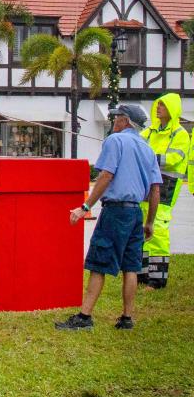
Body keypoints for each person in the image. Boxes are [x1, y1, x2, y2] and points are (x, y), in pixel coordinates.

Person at [55, 103, 160, 331]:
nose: (113, 122)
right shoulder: (147, 148)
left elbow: (106, 175)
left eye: (116, 118)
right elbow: (155, 190)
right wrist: (149, 222)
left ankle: (84, 318)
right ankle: (127, 319)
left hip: (115, 211)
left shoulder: (115, 141)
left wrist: (85, 206)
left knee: (99, 263)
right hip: (135, 213)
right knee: (130, 267)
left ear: (125, 121)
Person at [138, 93, 190, 289]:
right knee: (142, 225)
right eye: (158, 105)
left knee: (157, 228)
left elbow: (173, 159)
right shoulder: (150, 131)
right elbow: (137, 145)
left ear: (172, 109)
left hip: (167, 184)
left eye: (163, 105)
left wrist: (149, 157)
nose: (158, 108)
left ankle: (157, 279)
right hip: (148, 181)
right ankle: (141, 274)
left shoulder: (180, 134)